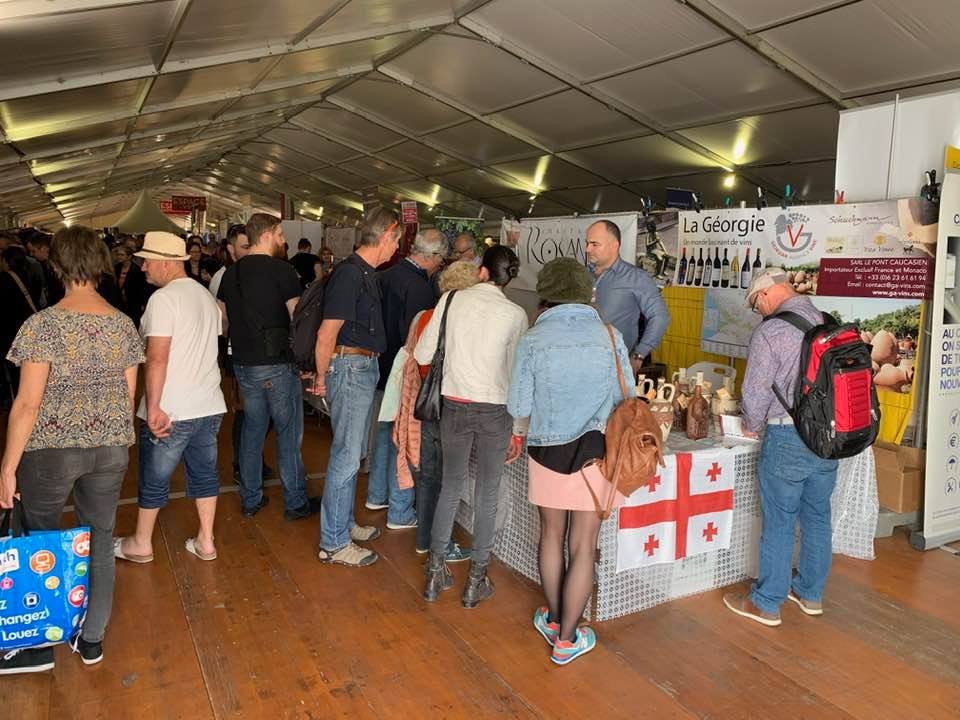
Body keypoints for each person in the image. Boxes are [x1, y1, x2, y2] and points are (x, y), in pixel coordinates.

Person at [0, 225, 144, 673]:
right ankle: (92, 639)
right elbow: (127, 396)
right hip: (110, 448)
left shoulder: (42, 325)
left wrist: (7, 467)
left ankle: (38, 646)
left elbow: (27, 404)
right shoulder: (123, 325)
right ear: (101, 265)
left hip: (51, 450)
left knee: (39, 539)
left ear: (56, 266)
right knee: (100, 538)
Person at [507, 257, 634, 664]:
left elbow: (518, 406)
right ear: (587, 293)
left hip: (546, 449)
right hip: (596, 450)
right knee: (584, 545)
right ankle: (567, 639)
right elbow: (627, 396)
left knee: (550, 535)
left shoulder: (533, 338)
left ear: (545, 294)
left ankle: (553, 618)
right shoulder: (609, 335)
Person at [723, 268, 839, 627]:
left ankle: (766, 603)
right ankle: (810, 594)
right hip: (828, 437)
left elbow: (756, 391)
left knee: (780, 520)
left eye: (754, 304)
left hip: (788, 436)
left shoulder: (771, 331)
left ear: (764, 294)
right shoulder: (827, 321)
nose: (757, 311)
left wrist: (751, 424)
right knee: (817, 516)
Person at [415, 246, 528, 608]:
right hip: (496, 410)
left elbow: (421, 354)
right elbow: (518, 377)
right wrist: (519, 429)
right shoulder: (516, 315)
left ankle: (434, 575)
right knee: (487, 494)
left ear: (482, 271)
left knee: (450, 486)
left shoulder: (451, 301)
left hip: (454, 405)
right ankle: (475, 582)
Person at [114, 232, 227, 566]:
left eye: (147, 261)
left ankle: (141, 543)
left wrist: (153, 406)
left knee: (154, 477)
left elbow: (157, 356)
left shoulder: (163, 300)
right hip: (208, 403)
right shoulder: (204, 295)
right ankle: (206, 540)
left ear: (166, 262)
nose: (143, 267)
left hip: (172, 408)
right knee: (204, 474)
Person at [311, 207, 402, 567]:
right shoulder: (350, 274)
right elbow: (327, 333)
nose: (397, 248)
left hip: (361, 368)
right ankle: (333, 542)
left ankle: (343, 524)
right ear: (386, 236)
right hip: (349, 369)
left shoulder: (364, 273)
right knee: (346, 456)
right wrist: (322, 377)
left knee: (353, 454)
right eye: (396, 240)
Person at [217, 213, 314, 520]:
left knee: (253, 430)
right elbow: (297, 318)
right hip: (278, 362)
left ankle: (251, 498)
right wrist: (307, 359)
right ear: (268, 235)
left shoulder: (230, 274)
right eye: (281, 234)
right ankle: (295, 502)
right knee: (288, 433)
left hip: (244, 363)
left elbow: (223, 320)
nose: (283, 240)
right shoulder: (282, 271)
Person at [393, 261, 480, 561]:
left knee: (429, 476)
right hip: (452, 404)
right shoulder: (466, 320)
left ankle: (424, 540)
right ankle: (441, 546)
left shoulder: (425, 316)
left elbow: (420, 359)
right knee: (447, 479)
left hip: (427, 403)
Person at [365, 229, 446, 529]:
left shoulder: (385, 275)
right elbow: (416, 340)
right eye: (440, 258)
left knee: (385, 433)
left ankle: (376, 495)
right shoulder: (420, 288)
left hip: (380, 364)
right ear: (431, 256)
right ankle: (399, 508)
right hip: (403, 371)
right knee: (402, 438)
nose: (440, 264)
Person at [585, 220, 669, 375]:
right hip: (581, 364)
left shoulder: (636, 278)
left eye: (594, 244)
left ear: (614, 245)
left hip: (615, 369)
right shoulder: (581, 276)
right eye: (587, 243)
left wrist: (639, 355)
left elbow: (660, 316)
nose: (588, 249)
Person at [0, 243, 39, 404]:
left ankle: (19, 401)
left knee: (15, 372)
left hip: (10, 332)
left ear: (6, 261)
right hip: (30, 329)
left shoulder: (5, 280)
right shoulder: (31, 274)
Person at [112, 241, 148, 327]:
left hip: (132, 303)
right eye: (118, 255)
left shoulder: (137, 270)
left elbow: (141, 288)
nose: (119, 257)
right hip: (119, 303)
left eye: (122, 255)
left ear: (129, 257)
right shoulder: (116, 268)